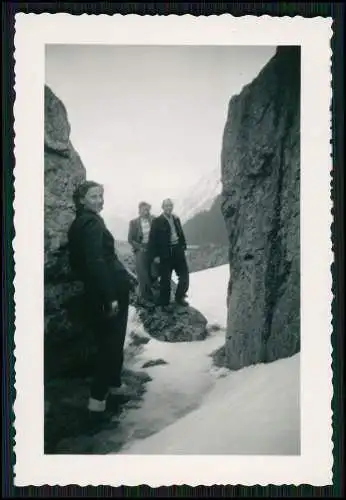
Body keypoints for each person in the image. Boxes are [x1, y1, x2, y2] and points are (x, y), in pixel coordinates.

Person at [67, 181, 136, 414]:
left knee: (108, 339)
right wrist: (110, 296)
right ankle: (97, 400)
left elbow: (85, 262)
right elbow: (95, 260)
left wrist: (124, 272)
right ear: (82, 199)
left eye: (101, 195)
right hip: (110, 289)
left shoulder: (79, 223)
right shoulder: (92, 223)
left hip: (99, 287)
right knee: (112, 342)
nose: (99, 200)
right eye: (93, 196)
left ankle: (115, 386)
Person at [148, 198, 189, 311]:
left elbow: (180, 233)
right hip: (165, 253)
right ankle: (164, 302)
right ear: (163, 207)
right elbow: (152, 239)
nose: (169, 208)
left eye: (170, 205)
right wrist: (155, 256)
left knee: (184, 275)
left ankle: (179, 297)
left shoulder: (176, 219)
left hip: (178, 250)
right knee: (165, 279)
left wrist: (183, 246)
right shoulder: (157, 221)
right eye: (166, 206)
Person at [128, 202, 156, 307]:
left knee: (154, 272)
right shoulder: (134, 222)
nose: (146, 212)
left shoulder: (153, 220)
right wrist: (140, 247)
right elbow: (130, 239)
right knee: (143, 273)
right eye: (144, 210)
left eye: (148, 210)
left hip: (152, 248)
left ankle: (151, 293)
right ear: (139, 211)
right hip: (141, 248)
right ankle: (145, 298)